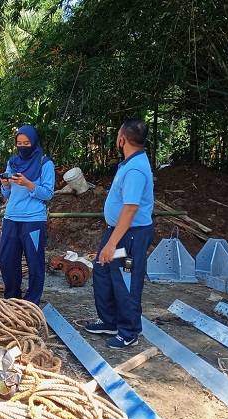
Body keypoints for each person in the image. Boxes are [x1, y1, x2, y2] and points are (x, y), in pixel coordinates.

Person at [85, 119, 155, 348]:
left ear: (122, 139)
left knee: (126, 280)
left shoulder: (135, 169)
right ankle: (109, 321)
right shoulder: (128, 163)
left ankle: (129, 331)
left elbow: (130, 208)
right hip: (117, 231)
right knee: (103, 272)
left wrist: (112, 243)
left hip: (130, 236)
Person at [0, 125, 55, 305]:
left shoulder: (45, 163)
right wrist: (6, 185)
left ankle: (31, 302)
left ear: (34, 142)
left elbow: (48, 193)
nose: (23, 146)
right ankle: (12, 298)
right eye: (19, 143)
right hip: (11, 218)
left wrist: (29, 184)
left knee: (35, 263)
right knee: (7, 260)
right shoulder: (13, 162)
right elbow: (6, 194)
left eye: (27, 142)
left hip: (33, 221)